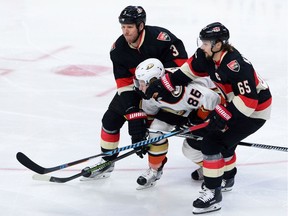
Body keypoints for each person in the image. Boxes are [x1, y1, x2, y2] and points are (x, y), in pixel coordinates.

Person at [145, 22, 272, 214]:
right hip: (233, 104)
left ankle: (214, 193)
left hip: (254, 112)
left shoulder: (236, 65)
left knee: (212, 142)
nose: (202, 46)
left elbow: (249, 101)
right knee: (201, 140)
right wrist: (162, 84)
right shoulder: (206, 55)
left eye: (206, 42)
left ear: (219, 44)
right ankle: (226, 176)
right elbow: (186, 73)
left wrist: (223, 116)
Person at [81, 5, 188, 181]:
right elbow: (123, 85)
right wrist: (133, 112)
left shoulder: (162, 39)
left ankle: (155, 168)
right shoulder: (118, 50)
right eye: (123, 27)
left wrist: (155, 93)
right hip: (139, 90)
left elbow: (181, 70)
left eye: (129, 27)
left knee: (154, 131)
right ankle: (107, 162)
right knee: (110, 119)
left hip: (166, 91)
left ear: (140, 26)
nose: (125, 31)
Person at [134, 58, 222, 189]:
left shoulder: (186, 89)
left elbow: (213, 99)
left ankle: (217, 169)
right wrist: (144, 137)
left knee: (190, 150)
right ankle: (154, 169)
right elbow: (150, 114)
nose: (139, 87)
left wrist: (197, 118)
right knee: (155, 131)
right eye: (138, 82)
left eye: (142, 83)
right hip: (181, 109)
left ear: (154, 81)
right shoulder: (151, 92)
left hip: (209, 107)